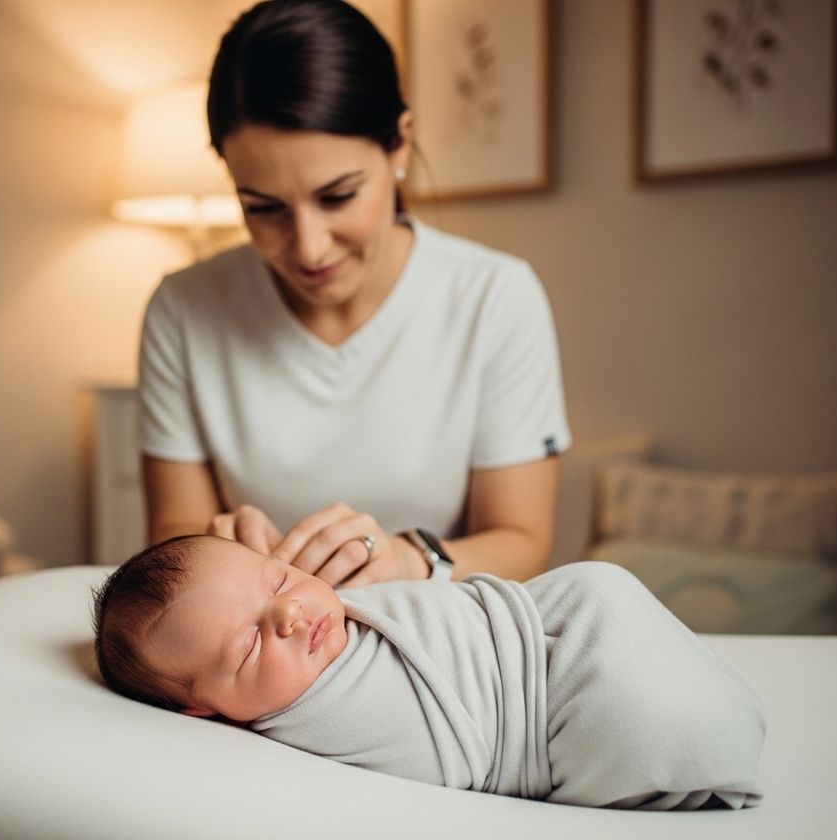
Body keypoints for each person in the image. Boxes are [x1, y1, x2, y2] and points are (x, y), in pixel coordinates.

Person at [139, 0, 571, 588]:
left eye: (338, 196)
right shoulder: (184, 310)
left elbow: (522, 543)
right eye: (263, 209)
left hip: (437, 633)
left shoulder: (494, 298)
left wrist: (408, 558)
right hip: (264, 645)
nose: (310, 248)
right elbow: (172, 534)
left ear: (399, 146)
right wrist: (215, 550)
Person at [93, 535, 766, 810]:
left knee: (599, 587)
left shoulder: (314, 633)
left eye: (282, 578)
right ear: (204, 712)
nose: (293, 613)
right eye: (247, 646)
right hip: (557, 707)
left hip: (542, 619)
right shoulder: (312, 724)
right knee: (632, 723)